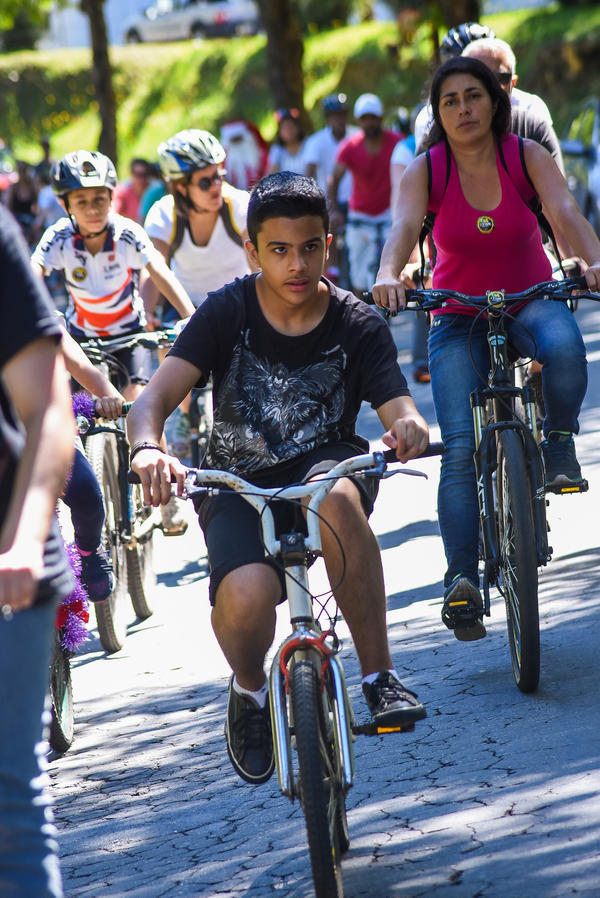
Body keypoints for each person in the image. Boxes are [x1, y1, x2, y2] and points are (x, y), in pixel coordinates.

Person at [128, 172, 430, 785]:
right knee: (246, 595)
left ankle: (379, 677)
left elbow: (399, 407)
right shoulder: (225, 311)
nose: (297, 264)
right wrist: (147, 450)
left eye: (311, 247)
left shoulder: (357, 322)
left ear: (328, 244)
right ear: (252, 252)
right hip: (237, 480)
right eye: (280, 250)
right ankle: (249, 691)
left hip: (327, 464)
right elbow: (151, 400)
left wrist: (409, 426)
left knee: (336, 497)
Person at [372, 56, 600, 641]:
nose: (463, 108)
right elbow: (402, 230)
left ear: (495, 101)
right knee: (458, 451)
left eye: (473, 95)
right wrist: (389, 274)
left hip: (530, 297)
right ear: (438, 113)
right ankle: (461, 580)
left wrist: (595, 261)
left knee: (563, 345)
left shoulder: (526, 155)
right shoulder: (427, 170)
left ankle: (557, 443)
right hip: (456, 314)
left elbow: (565, 213)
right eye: (450, 100)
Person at [31, 149, 195, 534]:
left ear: (111, 197)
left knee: (140, 404)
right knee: (81, 415)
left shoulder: (126, 233)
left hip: (130, 336)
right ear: (65, 205)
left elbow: (159, 270)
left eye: (100, 199)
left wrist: (191, 316)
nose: (92, 209)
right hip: (82, 340)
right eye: (81, 201)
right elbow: (32, 272)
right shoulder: (58, 237)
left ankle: (165, 495)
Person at [0, 205, 75, 898]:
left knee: (8, 805)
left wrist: (25, 537)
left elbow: (50, 409)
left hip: (10, 566)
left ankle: (100, 566)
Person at [143, 128, 255, 457]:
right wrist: (145, 314)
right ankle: (182, 412)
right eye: (205, 182)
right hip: (185, 303)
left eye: (219, 176)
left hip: (235, 300)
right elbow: (153, 269)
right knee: (166, 340)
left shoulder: (239, 206)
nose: (217, 186)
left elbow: (259, 261)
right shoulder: (164, 214)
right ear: (181, 186)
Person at [60, 326, 126, 602]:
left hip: (46, 427)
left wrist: (109, 394)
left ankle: (88, 551)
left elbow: (74, 359)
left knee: (85, 492)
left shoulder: (22, 309)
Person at [328, 93, 400, 295]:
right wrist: (334, 210)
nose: (369, 123)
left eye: (373, 118)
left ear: (381, 118)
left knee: (396, 269)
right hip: (360, 216)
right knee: (359, 276)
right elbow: (334, 178)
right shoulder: (350, 146)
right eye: (365, 119)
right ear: (359, 121)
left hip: (389, 214)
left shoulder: (397, 142)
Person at [305, 93, 359, 284]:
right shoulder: (316, 142)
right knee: (328, 225)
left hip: (355, 198)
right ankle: (332, 268)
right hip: (326, 198)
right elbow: (309, 173)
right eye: (335, 115)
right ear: (328, 118)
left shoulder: (357, 136)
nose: (339, 119)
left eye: (342, 114)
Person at [220, 119, 269, 190]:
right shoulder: (223, 164)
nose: (237, 143)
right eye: (233, 141)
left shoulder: (263, 158)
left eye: (239, 139)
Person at [266, 108, 307, 176]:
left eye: (291, 126)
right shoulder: (277, 150)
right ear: (279, 132)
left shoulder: (308, 145)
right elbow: (272, 174)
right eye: (285, 128)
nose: (289, 131)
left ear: (298, 128)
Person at [112, 157, 151, 223]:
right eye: (138, 174)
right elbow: (114, 213)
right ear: (131, 174)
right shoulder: (122, 191)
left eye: (144, 175)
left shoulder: (154, 191)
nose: (141, 179)